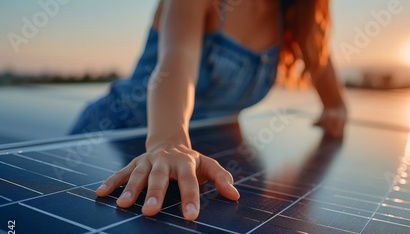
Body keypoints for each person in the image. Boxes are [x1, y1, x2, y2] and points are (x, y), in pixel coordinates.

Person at [70, 0, 347, 221]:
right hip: (115, 134)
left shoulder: (292, 13)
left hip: (196, 152)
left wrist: (336, 107)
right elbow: (177, 61)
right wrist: (168, 140)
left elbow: (321, 64)